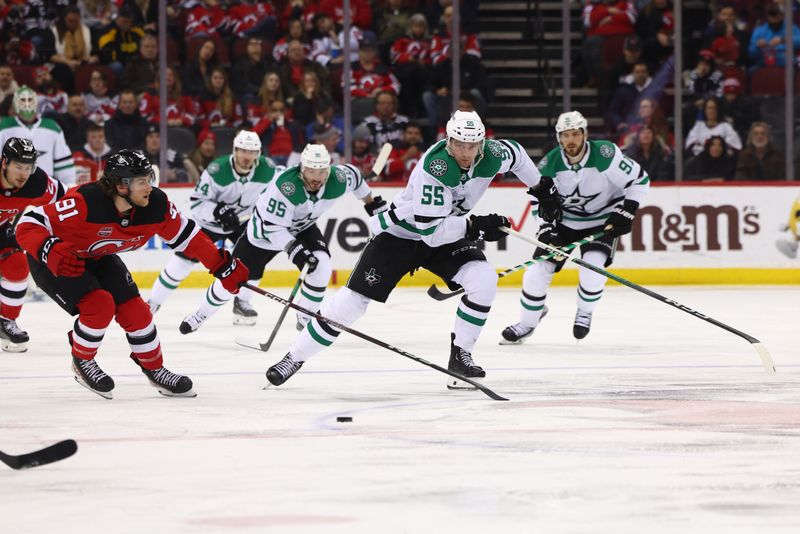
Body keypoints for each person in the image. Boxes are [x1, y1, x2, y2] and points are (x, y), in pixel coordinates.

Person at [264, 111, 545, 390]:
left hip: (446, 230)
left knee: (483, 279)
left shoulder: (493, 153)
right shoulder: (435, 168)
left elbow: (518, 155)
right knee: (352, 303)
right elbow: (431, 234)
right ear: (449, 140)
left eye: (472, 145)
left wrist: (542, 187)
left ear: (482, 144)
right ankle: (294, 357)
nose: (465, 152)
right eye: (459, 144)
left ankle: (460, 357)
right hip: (403, 234)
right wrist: (474, 227)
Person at [16, 149, 249, 399]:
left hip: (98, 256)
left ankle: (154, 369)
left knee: (137, 312)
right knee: (99, 305)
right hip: (59, 260)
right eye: (141, 181)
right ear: (120, 185)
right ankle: (82, 360)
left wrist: (221, 265)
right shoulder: (85, 202)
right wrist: (49, 249)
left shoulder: (156, 206)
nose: (149, 187)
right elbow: (28, 223)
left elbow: (190, 237)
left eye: (149, 178)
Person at [179, 143, 385, 335]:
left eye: (321, 171)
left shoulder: (338, 179)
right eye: (311, 170)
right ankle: (201, 314)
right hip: (263, 235)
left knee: (321, 266)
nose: (317, 176)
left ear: (328, 170)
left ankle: (306, 318)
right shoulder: (285, 187)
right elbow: (273, 228)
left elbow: (357, 178)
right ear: (302, 168)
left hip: (302, 227)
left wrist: (370, 203)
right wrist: (294, 250)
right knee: (232, 279)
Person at [501, 110, 649, 344]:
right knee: (535, 273)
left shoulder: (604, 154)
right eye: (565, 135)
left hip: (602, 221)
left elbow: (639, 180)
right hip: (565, 223)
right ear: (558, 137)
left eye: (575, 134)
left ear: (585, 134)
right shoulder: (549, 163)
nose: (571, 140)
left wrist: (627, 209)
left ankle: (585, 312)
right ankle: (528, 322)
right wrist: (546, 228)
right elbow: (539, 200)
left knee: (593, 268)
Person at [148, 131, 276, 320]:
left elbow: (278, 190)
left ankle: (242, 303)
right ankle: (153, 303)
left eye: (252, 152)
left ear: (258, 153)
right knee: (183, 261)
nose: (247, 156)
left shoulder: (268, 169)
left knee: (255, 259)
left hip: (242, 222)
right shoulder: (217, 170)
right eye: (243, 151)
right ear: (235, 150)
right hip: (210, 223)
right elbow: (197, 203)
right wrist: (217, 211)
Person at [0, 138, 66, 352]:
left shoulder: (37, 183)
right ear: (4, 163)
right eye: (18, 166)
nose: (23, 174)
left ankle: (5, 321)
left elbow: (69, 198)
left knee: (18, 265)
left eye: (28, 167)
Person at [0, 87, 76, 186]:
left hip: (45, 187)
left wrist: (69, 184)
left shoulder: (52, 127)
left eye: (30, 100)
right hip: (13, 186)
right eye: (22, 100)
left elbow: (62, 162)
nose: (26, 104)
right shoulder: (3, 126)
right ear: (15, 103)